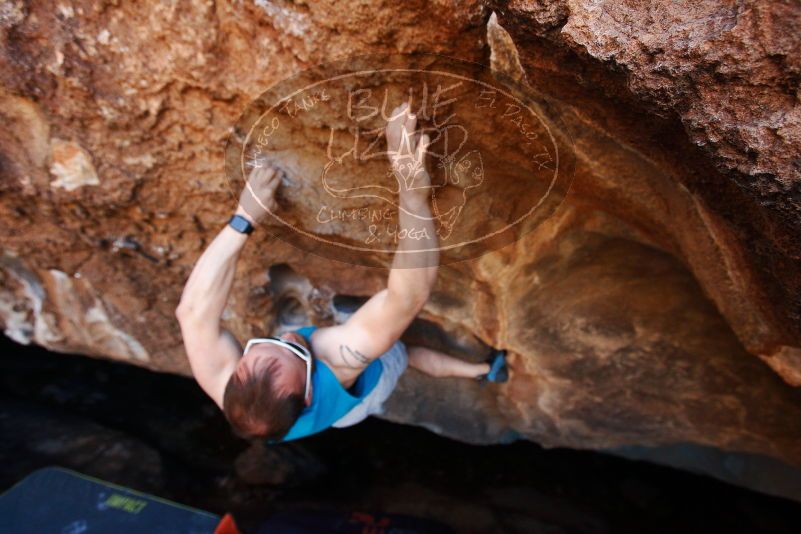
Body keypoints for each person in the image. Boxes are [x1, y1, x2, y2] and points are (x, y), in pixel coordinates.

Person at [175, 103, 508, 443]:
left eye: (268, 342)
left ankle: (484, 371)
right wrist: (412, 195)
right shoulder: (340, 361)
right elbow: (408, 297)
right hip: (357, 405)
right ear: (307, 393)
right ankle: (477, 369)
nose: (289, 338)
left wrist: (243, 219)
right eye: (297, 352)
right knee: (403, 353)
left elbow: (191, 312)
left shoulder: (229, 387)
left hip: (303, 404)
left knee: (357, 341)